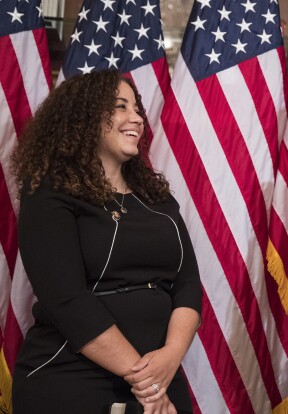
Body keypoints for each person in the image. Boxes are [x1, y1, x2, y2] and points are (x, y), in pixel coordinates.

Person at [11, 70, 202, 414]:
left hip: (160, 375)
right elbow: (66, 299)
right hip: (71, 378)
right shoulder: (48, 191)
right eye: (120, 107)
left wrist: (170, 359)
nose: (136, 118)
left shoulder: (157, 197)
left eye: (137, 109)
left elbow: (187, 284)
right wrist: (149, 386)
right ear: (82, 118)